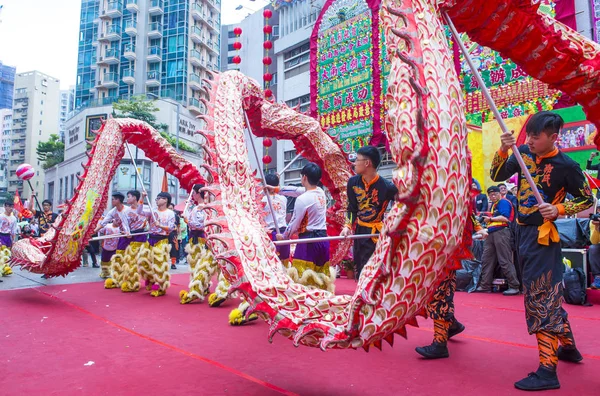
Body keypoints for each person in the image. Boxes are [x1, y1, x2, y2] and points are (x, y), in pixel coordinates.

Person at [490, 111, 593, 391]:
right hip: (520, 232)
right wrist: (503, 147)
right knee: (544, 294)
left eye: (537, 136)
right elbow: (496, 174)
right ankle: (569, 347)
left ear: (553, 137)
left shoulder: (567, 166)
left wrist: (559, 209)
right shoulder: (521, 151)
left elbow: (588, 200)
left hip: (544, 237)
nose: (531, 140)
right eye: (529, 135)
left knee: (539, 295)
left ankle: (548, 370)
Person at [416, 214, 488, 358]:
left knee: (439, 292)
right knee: (439, 291)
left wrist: (478, 228)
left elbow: (463, 205)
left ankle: (440, 343)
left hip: (445, 247)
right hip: (430, 247)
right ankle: (452, 326)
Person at [340, 146, 398, 279]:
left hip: (377, 234)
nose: (354, 163)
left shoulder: (387, 187)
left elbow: (402, 206)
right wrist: (347, 226)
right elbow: (352, 208)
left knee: (374, 271)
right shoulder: (352, 182)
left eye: (357, 159)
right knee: (360, 268)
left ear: (367, 163)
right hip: (360, 231)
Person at [276, 163, 335, 292]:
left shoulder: (302, 199)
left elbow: (294, 224)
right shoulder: (320, 192)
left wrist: (284, 237)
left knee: (303, 280)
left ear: (304, 178)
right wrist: (277, 189)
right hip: (323, 240)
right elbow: (297, 191)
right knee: (321, 280)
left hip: (308, 241)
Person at [476, 185, 520, 295]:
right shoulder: (495, 205)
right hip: (492, 232)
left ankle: (514, 286)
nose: (493, 196)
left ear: (499, 193)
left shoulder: (504, 202)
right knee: (487, 259)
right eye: (490, 195)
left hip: (501, 232)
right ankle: (485, 285)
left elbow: (505, 218)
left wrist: (490, 218)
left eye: (495, 194)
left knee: (504, 259)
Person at [180, 184, 219, 305]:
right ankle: (203, 286)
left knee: (199, 265)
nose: (192, 196)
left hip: (201, 240)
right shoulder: (197, 207)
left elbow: (201, 225)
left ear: (198, 193)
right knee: (194, 264)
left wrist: (187, 221)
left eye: (194, 193)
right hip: (194, 239)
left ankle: (198, 288)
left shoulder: (203, 208)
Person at [139, 191, 176, 297]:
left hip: (162, 240)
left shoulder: (170, 213)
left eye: (159, 198)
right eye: (156, 198)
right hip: (150, 239)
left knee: (159, 264)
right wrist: (142, 197)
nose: (156, 200)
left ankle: (160, 287)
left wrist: (160, 226)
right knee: (144, 262)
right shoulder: (152, 210)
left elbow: (171, 228)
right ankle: (150, 279)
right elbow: (139, 211)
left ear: (165, 200)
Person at [263, 174, 290, 266]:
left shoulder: (262, 200)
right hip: (283, 233)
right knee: (283, 262)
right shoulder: (284, 199)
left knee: (270, 262)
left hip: (270, 233)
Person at [0, 200, 18, 279]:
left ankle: (5, 269)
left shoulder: (13, 218)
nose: (10, 208)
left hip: (8, 237)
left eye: (12, 207)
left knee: (7, 254)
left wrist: (13, 240)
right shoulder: (1, 216)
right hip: (1, 235)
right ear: (5, 207)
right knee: (1, 254)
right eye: (9, 206)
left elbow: (13, 230)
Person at [588, 206, 600, 289]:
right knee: (593, 248)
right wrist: (597, 229)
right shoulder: (594, 222)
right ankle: (598, 278)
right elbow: (594, 241)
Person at [168, 203, 181, 269]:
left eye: (171, 208)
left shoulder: (176, 217)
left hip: (173, 234)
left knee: (174, 249)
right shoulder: (165, 215)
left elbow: (179, 227)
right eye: (169, 208)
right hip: (166, 233)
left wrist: (179, 236)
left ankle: (173, 264)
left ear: (173, 209)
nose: (170, 210)